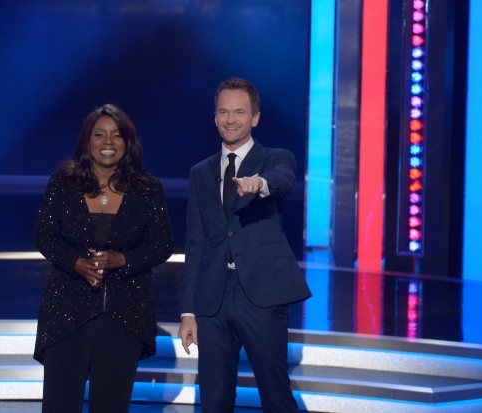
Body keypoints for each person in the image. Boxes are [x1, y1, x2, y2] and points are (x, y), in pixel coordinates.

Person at [178, 77, 312, 412]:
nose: (231, 119)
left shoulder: (275, 159)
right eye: (223, 112)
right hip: (213, 298)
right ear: (215, 116)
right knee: (214, 399)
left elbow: (283, 180)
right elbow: (196, 243)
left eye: (240, 112)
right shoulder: (200, 172)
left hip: (261, 295)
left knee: (275, 394)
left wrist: (260, 183)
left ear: (255, 117)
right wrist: (188, 311)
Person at [33, 103, 174, 413]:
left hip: (125, 312)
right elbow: (43, 234)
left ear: (128, 142)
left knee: (111, 404)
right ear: (88, 141)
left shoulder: (147, 188)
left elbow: (163, 244)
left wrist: (121, 260)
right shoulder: (64, 181)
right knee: (59, 403)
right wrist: (75, 262)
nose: (108, 143)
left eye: (116, 135)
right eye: (100, 135)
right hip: (66, 309)